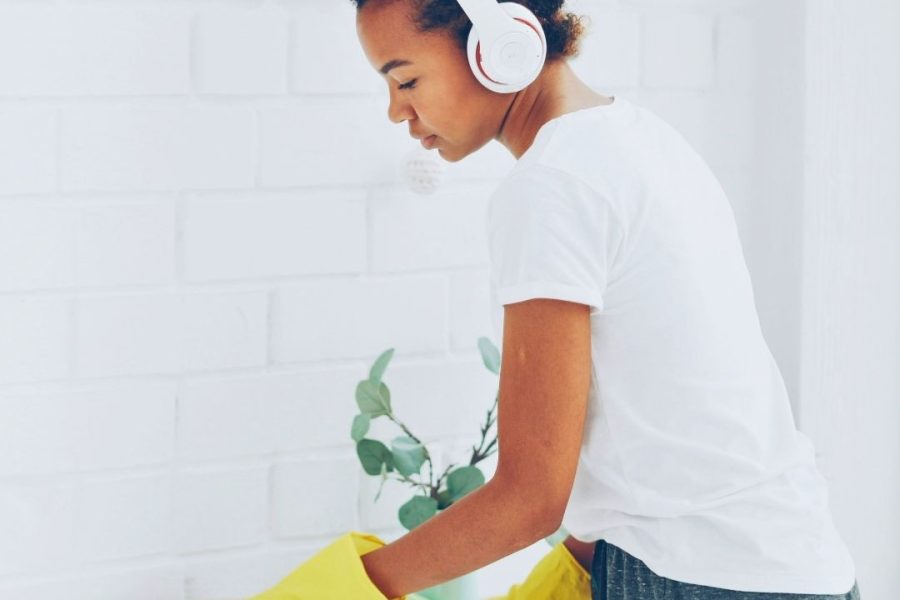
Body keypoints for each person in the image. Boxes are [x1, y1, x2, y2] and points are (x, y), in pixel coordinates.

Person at [348, 1, 863, 599]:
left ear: (498, 46)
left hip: (694, 580)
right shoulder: (645, 141)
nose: (396, 110)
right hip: (802, 568)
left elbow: (530, 499)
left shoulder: (550, 186)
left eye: (406, 79)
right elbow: (665, 432)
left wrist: (343, 589)